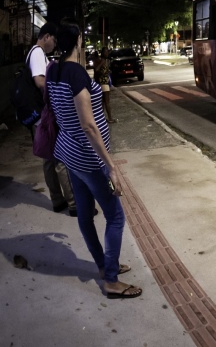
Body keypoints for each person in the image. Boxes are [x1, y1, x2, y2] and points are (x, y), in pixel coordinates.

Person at [46, 19, 142, 299]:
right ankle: (110, 279)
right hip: (88, 158)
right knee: (116, 217)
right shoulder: (75, 73)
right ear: (78, 41)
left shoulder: (54, 70)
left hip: (70, 153)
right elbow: (88, 125)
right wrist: (110, 166)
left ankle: (103, 265)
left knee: (85, 214)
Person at [28, 22, 76, 215]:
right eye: (54, 41)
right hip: (44, 115)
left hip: (39, 116)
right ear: (46, 36)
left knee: (49, 159)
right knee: (60, 157)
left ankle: (57, 200)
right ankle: (74, 203)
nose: (55, 45)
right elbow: (40, 82)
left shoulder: (35, 53)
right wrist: (56, 93)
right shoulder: (37, 52)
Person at [93, 48, 117, 124]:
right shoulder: (102, 60)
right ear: (102, 53)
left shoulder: (105, 60)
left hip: (104, 83)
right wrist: (102, 64)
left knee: (103, 102)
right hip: (103, 83)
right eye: (105, 52)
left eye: (107, 52)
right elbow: (97, 69)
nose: (107, 53)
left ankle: (101, 119)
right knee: (107, 102)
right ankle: (110, 118)